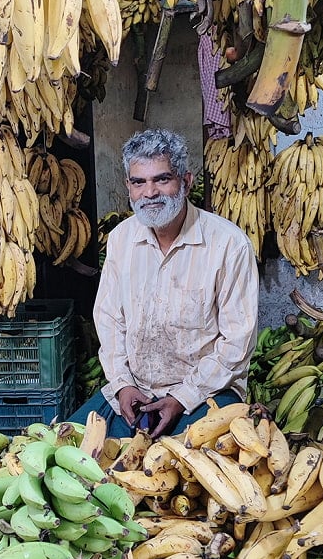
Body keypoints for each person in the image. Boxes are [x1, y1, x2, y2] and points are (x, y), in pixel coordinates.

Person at [69, 128, 259, 438]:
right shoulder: (121, 240)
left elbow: (236, 344)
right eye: (138, 182)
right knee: (67, 448)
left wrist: (181, 398)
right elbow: (109, 320)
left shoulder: (228, 244)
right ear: (129, 187)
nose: (149, 193)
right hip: (137, 392)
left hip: (204, 393)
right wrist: (122, 384)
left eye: (162, 179)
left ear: (186, 182)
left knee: (182, 473)